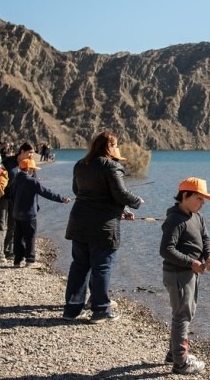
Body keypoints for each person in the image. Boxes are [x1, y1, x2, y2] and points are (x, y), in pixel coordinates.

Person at [62, 131, 143, 323]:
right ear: (109, 146)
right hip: (103, 226)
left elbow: (78, 191)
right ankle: (100, 310)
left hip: (79, 221)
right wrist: (137, 201)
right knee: (102, 267)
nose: (117, 148)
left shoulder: (81, 164)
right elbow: (121, 194)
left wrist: (120, 210)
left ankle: (72, 309)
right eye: (115, 145)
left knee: (79, 265)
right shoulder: (112, 166)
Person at [159, 177, 210, 375]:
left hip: (189, 274)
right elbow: (166, 250)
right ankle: (181, 363)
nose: (202, 204)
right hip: (178, 275)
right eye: (199, 199)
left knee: (183, 313)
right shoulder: (175, 219)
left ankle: (173, 354)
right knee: (182, 315)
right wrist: (191, 262)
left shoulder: (196, 216)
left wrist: (209, 256)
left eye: (203, 201)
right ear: (185, 196)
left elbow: (206, 238)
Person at [11, 158, 71, 268]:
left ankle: (17, 261)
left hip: (16, 213)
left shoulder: (15, 180)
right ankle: (29, 260)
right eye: (33, 169)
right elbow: (46, 193)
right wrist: (62, 199)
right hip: (29, 214)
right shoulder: (32, 181)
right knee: (30, 236)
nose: (34, 171)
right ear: (28, 169)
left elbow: (12, 195)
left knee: (18, 237)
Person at [0, 143, 35, 264]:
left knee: (13, 225)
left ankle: (8, 250)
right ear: (22, 151)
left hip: (16, 199)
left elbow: (33, 182)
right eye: (29, 152)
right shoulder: (9, 162)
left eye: (32, 153)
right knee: (0, 223)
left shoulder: (29, 165)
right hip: (2, 196)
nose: (31, 155)